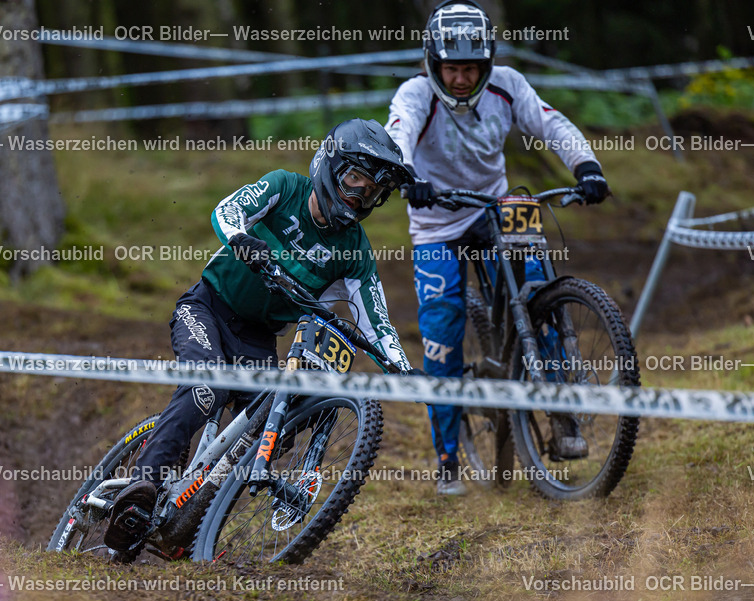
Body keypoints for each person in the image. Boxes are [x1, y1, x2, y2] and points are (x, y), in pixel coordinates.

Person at [104, 118, 420, 551]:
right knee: (205, 386)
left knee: (278, 425)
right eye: (354, 180)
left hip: (258, 342)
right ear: (330, 165)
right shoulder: (284, 188)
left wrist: (403, 370)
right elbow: (227, 210)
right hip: (207, 309)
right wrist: (240, 238)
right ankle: (139, 489)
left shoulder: (355, 250)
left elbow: (376, 319)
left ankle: (191, 518)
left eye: (372, 192)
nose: (359, 195)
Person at [385, 0, 609, 496]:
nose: (461, 79)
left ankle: (563, 416)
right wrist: (408, 176)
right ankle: (447, 460)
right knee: (442, 330)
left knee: (541, 289)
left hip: (498, 203)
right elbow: (397, 134)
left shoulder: (507, 85)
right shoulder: (415, 93)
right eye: (452, 68)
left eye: (471, 69)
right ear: (433, 63)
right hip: (436, 220)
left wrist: (587, 166)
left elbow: (552, 123)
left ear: (486, 66)